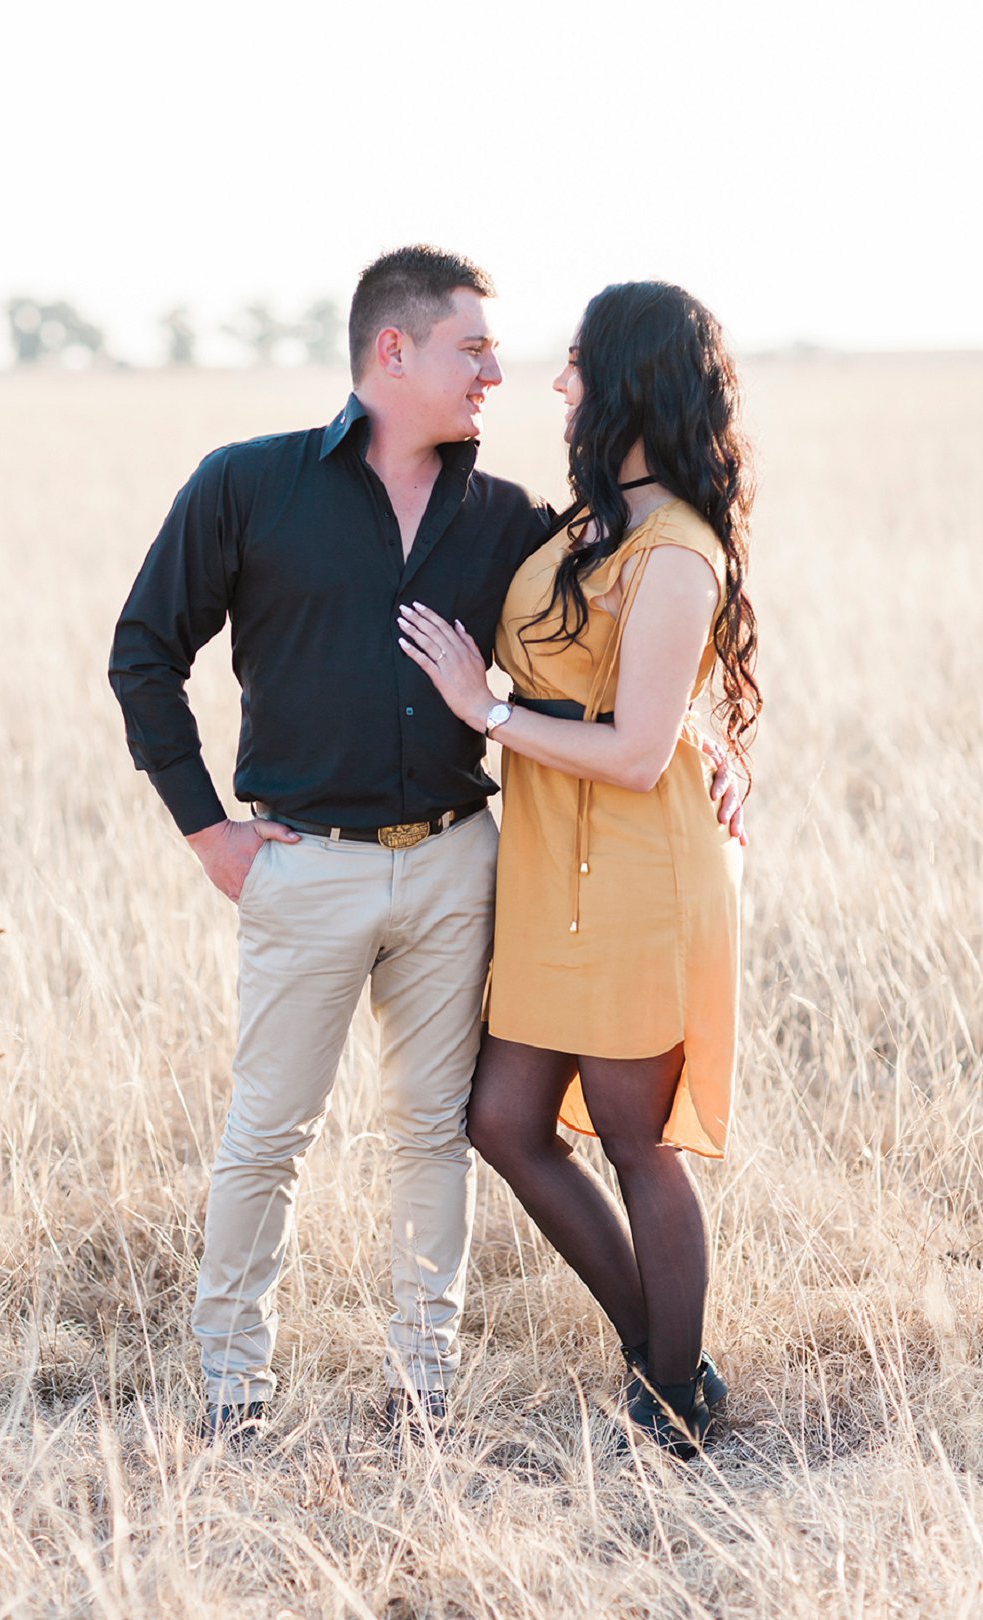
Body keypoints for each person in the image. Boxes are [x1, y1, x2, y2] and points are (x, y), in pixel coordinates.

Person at [109, 251, 745, 1443]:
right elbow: (143, 652)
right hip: (312, 868)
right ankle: (234, 1386)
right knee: (271, 1137)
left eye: (514, 356)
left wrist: (713, 753)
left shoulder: (505, 518)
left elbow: (632, 659)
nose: (501, 375)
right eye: (473, 350)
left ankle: (430, 1384)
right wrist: (208, 830)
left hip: (466, 865)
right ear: (391, 353)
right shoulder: (247, 487)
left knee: (440, 1136)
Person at [397, 281, 759, 1458]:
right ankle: (667, 1357)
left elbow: (641, 749)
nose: (558, 387)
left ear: (635, 385)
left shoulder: (676, 552)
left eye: (580, 369)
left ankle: (669, 1405)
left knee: (630, 1131)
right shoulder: (589, 525)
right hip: (556, 868)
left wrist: (483, 710)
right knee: (504, 1118)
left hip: (638, 872)